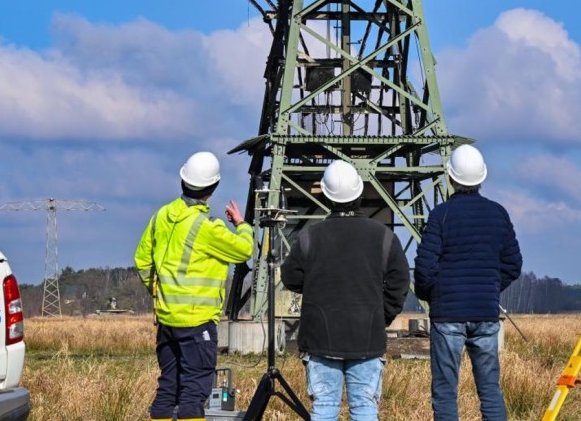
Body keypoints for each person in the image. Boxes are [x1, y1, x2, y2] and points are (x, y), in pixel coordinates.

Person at [281, 159, 410, 421]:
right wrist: (380, 316)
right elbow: (399, 282)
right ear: (360, 192)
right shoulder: (384, 236)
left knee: (324, 408)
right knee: (364, 409)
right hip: (367, 336)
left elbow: (291, 277)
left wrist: (317, 285)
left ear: (327, 196)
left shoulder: (308, 237)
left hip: (320, 337)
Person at [134, 151, 253, 421]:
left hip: (166, 321)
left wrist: (161, 293)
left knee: (168, 387)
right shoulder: (207, 227)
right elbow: (244, 250)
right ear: (212, 189)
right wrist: (242, 224)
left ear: (182, 180)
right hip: (197, 323)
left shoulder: (160, 217)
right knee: (195, 391)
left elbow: (142, 261)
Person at [414, 144, 522, 421]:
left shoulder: (441, 215)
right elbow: (513, 264)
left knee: (445, 391)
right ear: (481, 178)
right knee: (489, 390)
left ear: (451, 178)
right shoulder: (498, 213)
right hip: (485, 314)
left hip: (448, 314)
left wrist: (435, 295)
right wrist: (487, 288)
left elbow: (425, 269)